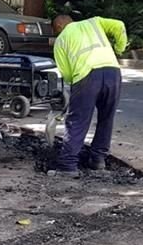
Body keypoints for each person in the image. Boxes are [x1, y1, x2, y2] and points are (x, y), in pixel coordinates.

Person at [49, 14, 127, 174]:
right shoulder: (94, 22)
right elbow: (119, 24)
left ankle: (67, 166)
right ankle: (98, 159)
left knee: (77, 121)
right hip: (113, 72)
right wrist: (119, 48)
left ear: (58, 27)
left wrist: (75, 93)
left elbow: (68, 75)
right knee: (106, 118)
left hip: (87, 77)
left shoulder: (61, 40)